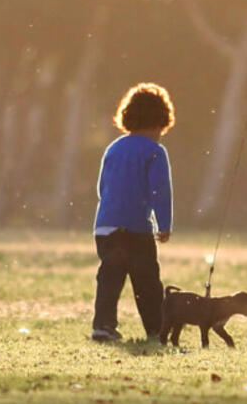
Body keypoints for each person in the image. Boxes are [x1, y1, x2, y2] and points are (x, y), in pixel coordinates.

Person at [89, 83, 175, 343]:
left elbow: (102, 188)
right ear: (161, 122)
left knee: (109, 278)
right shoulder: (155, 152)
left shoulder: (114, 148)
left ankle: (103, 326)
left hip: (106, 226)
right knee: (147, 282)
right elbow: (160, 191)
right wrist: (164, 224)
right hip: (136, 228)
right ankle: (156, 330)